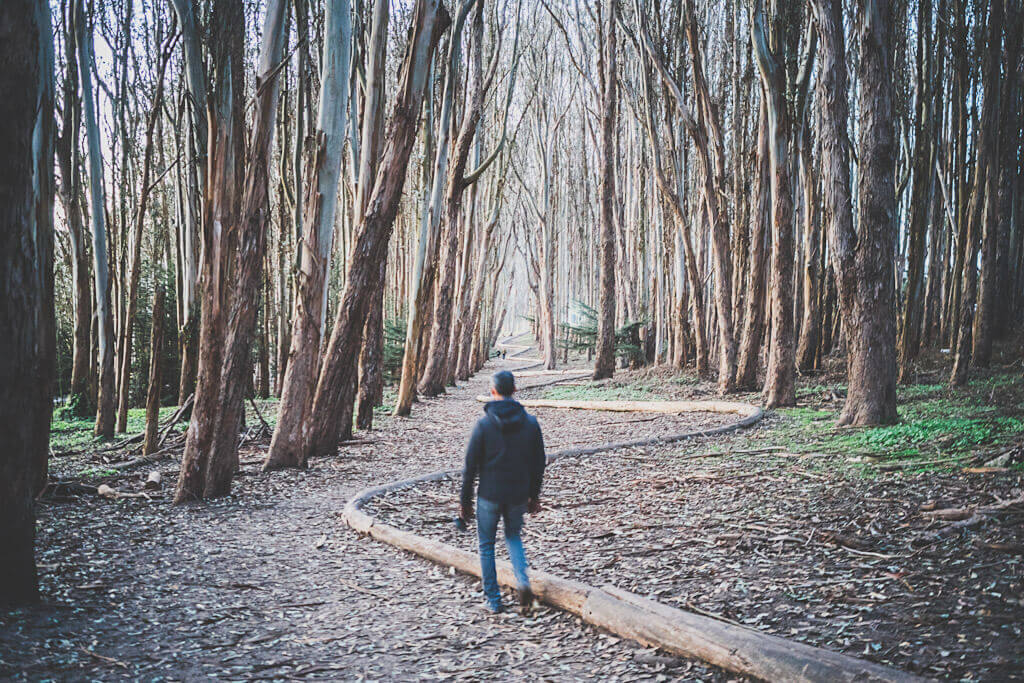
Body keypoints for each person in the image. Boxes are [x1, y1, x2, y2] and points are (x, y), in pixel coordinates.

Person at [459, 371, 546, 613]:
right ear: (515, 391)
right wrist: (534, 495)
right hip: (518, 494)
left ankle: (493, 601)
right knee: (513, 538)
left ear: (493, 391)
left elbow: (469, 468)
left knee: (486, 546)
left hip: (489, 495)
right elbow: (539, 463)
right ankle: (525, 589)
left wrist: (464, 502)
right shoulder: (530, 423)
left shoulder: (484, 425)